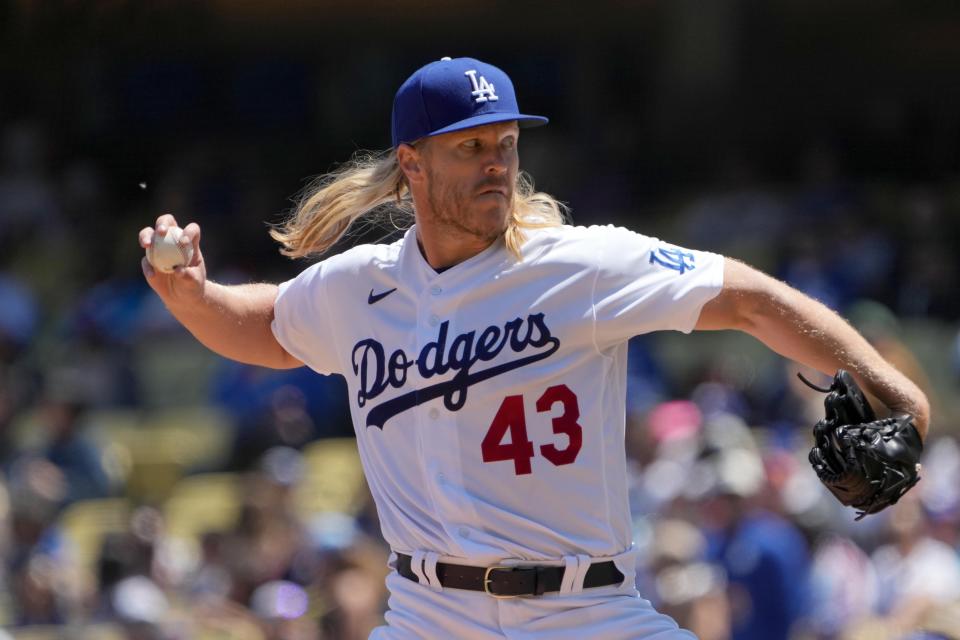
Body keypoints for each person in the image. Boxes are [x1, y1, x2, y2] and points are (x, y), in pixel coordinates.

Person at [138, 56, 930, 639]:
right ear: (411, 164)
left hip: (585, 610)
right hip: (428, 614)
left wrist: (901, 395)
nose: (496, 165)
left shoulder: (578, 265)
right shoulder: (359, 288)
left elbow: (750, 299)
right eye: (469, 148)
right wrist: (194, 296)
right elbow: (270, 327)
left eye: (505, 144)